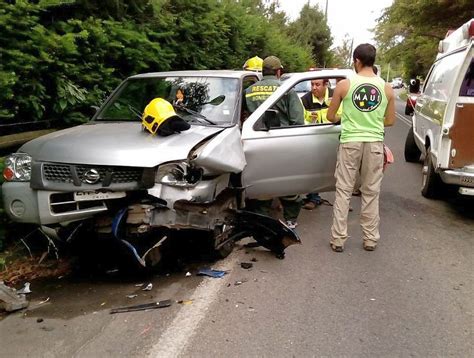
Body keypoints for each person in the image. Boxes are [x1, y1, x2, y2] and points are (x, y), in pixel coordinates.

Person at [326, 43, 395, 252]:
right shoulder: (387, 88)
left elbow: (330, 116)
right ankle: (370, 239)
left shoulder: (344, 86)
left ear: (357, 61)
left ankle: (338, 240)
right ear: (373, 61)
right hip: (374, 143)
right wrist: (370, 122)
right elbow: (390, 121)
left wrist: (346, 118)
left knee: (344, 191)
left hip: (350, 143)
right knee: (371, 192)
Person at [245, 55, 305, 229]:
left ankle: (263, 221)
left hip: (255, 142)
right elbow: (297, 121)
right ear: (279, 72)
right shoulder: (286, 89)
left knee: (262, 181)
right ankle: (290, 220)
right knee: (288, 181)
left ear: (263, 72)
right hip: (283, 142)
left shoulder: (249, 91)